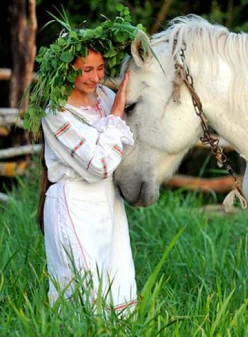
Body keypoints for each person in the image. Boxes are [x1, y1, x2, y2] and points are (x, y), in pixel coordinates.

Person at [24, 12, 144, 313]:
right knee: (84, 291)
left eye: (101, 68)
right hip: (74, 203)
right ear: (67, 71)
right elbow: (99, 165)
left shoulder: (103, 95)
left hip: (108, 201)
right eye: (86, 69)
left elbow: (123, 149)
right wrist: (116, 115)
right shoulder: (57, 112)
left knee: (117, 282)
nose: (96, 77)